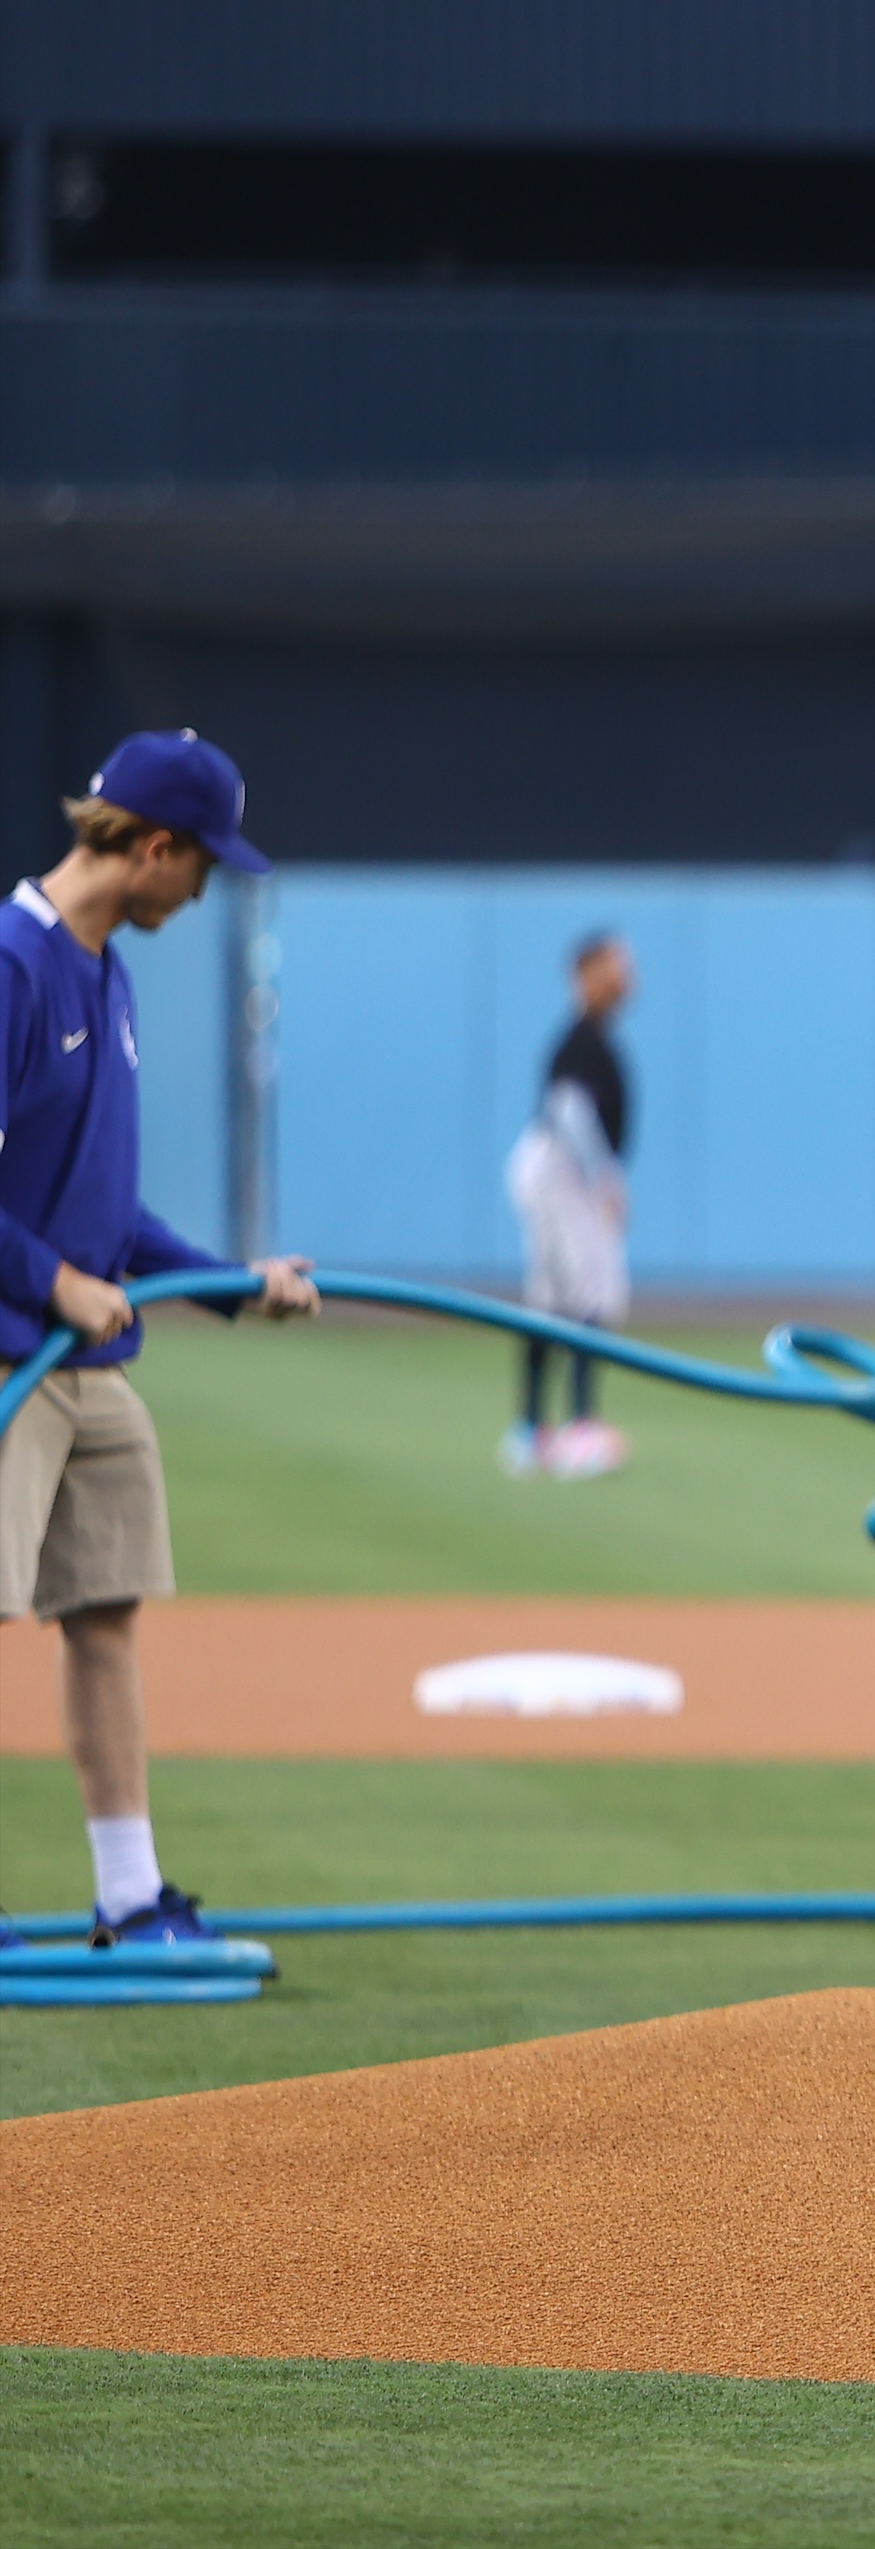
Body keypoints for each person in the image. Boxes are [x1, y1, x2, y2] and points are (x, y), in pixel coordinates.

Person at [0, 734, 318, 1951]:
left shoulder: (104, 973)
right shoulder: (15, 966)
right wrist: (55, 1283)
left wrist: (235, 1283)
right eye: (201, 869)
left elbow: (109, 1211)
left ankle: (129, 1896)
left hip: (87, 1369)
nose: (200, 896)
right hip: (12, 1359)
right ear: (152, 846)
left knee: (108, 1613)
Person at [502, 930, 635, 1481]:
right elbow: (569, 1111)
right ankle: (577, 1428)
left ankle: (533, 1431)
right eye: (615, 965)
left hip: (555, 1169)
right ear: (585, 974)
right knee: (590, 1291)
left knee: (555, 1297)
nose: (627, 976)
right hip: (561, 1169)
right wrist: (605, 1176)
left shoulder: (594, 1037)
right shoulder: (581, 1039)